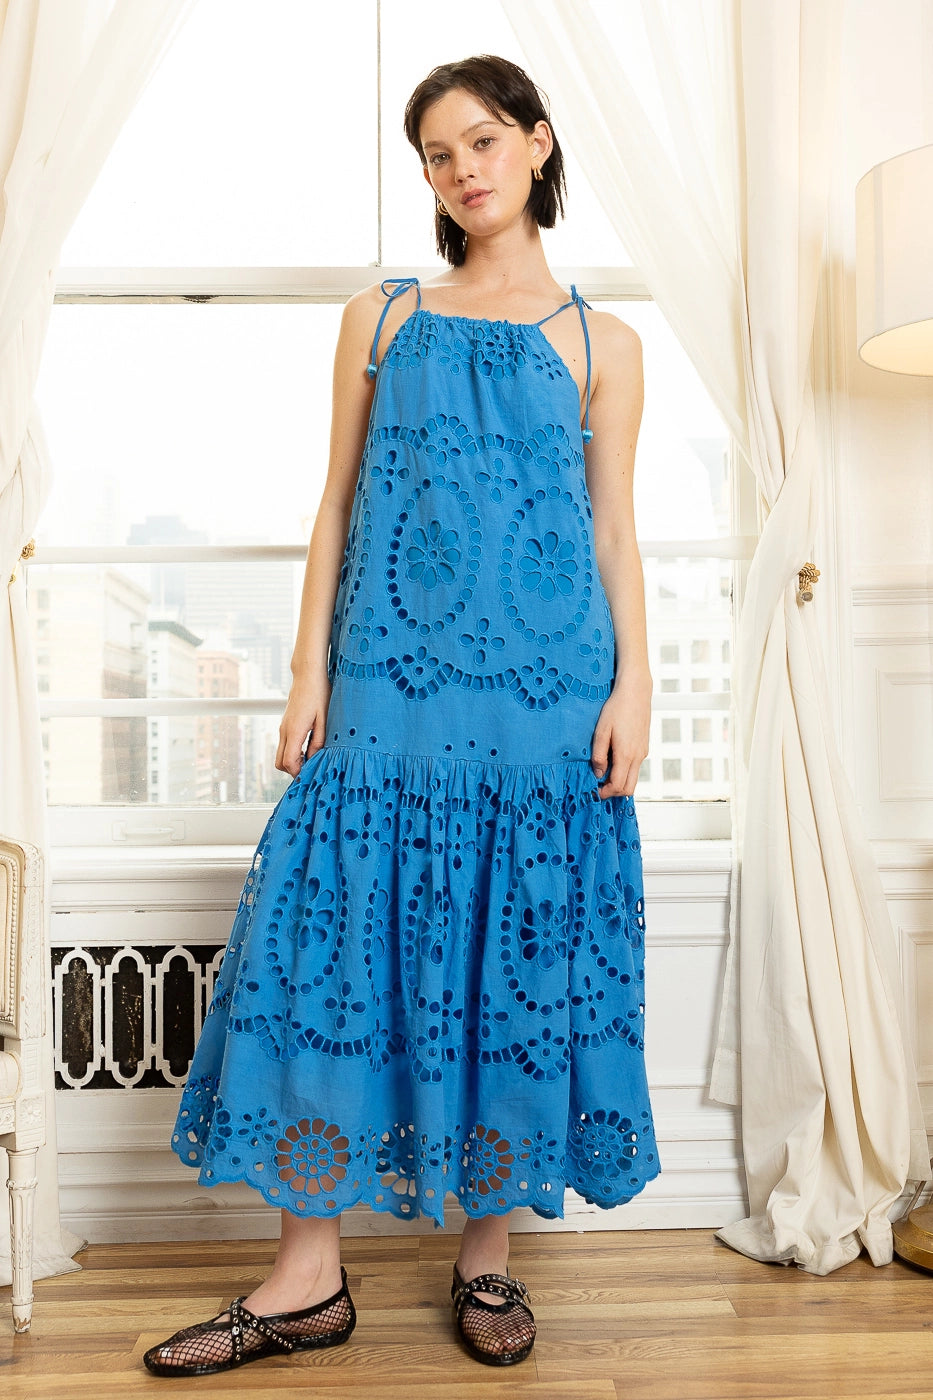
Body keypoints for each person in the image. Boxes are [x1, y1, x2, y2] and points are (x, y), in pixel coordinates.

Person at [144, 53, 658, 1379]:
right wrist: (307, 672)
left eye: (481, 141)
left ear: (536, 146)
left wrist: (638, 683)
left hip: (547, 705)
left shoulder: (607, 345)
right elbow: (330, 509)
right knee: (326, 951)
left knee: (515, 961)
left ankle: (485, 1266)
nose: (460, 170)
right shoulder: (378, 319)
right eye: (435, 154)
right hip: (386, 687)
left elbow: (613, 534)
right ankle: (305, 1279)